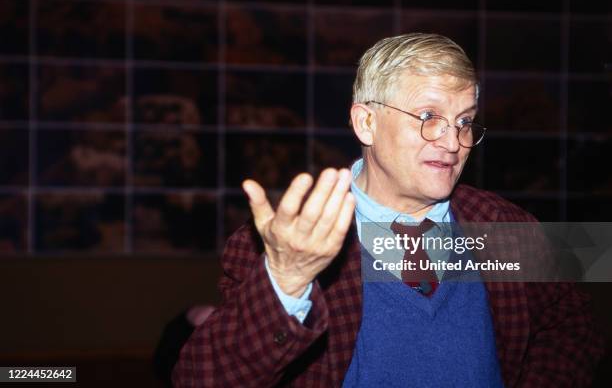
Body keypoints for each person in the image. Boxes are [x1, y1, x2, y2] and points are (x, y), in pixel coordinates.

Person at [172, 33, 603, 387]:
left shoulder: (497, 223)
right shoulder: (292, 237)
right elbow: (200, 379)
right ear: (366, 123)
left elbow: (573, 324)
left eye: (464, 121)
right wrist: (286, 280)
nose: (453, 142)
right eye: (429, 116)